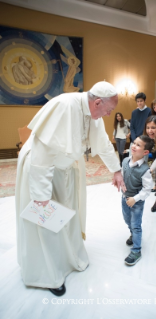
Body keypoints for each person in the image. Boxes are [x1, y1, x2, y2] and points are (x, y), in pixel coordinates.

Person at [15, 81, 126, 296]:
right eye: (108, 111)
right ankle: (48, 275)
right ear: (97, 102)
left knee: (66, 216)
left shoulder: (93, 112)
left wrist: (116, 170)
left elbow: (102, 143)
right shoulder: (64, 106)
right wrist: (41, 196)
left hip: (63, 169)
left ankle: (68, 259)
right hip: (41, 172)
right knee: (45, 222)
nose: (108, 115)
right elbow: (41, 152)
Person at [122, 135, 154, 266]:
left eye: (138, 145)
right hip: (124, 198)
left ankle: (136, 250)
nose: (133, 146)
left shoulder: (145, 170)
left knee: (136, 224)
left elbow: (147, 189)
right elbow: (124, 175)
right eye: (134, 143)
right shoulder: (125, 161)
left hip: (137, 202)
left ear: (145, 152)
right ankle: (132, 234)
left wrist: (135, 199)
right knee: (127, 220)